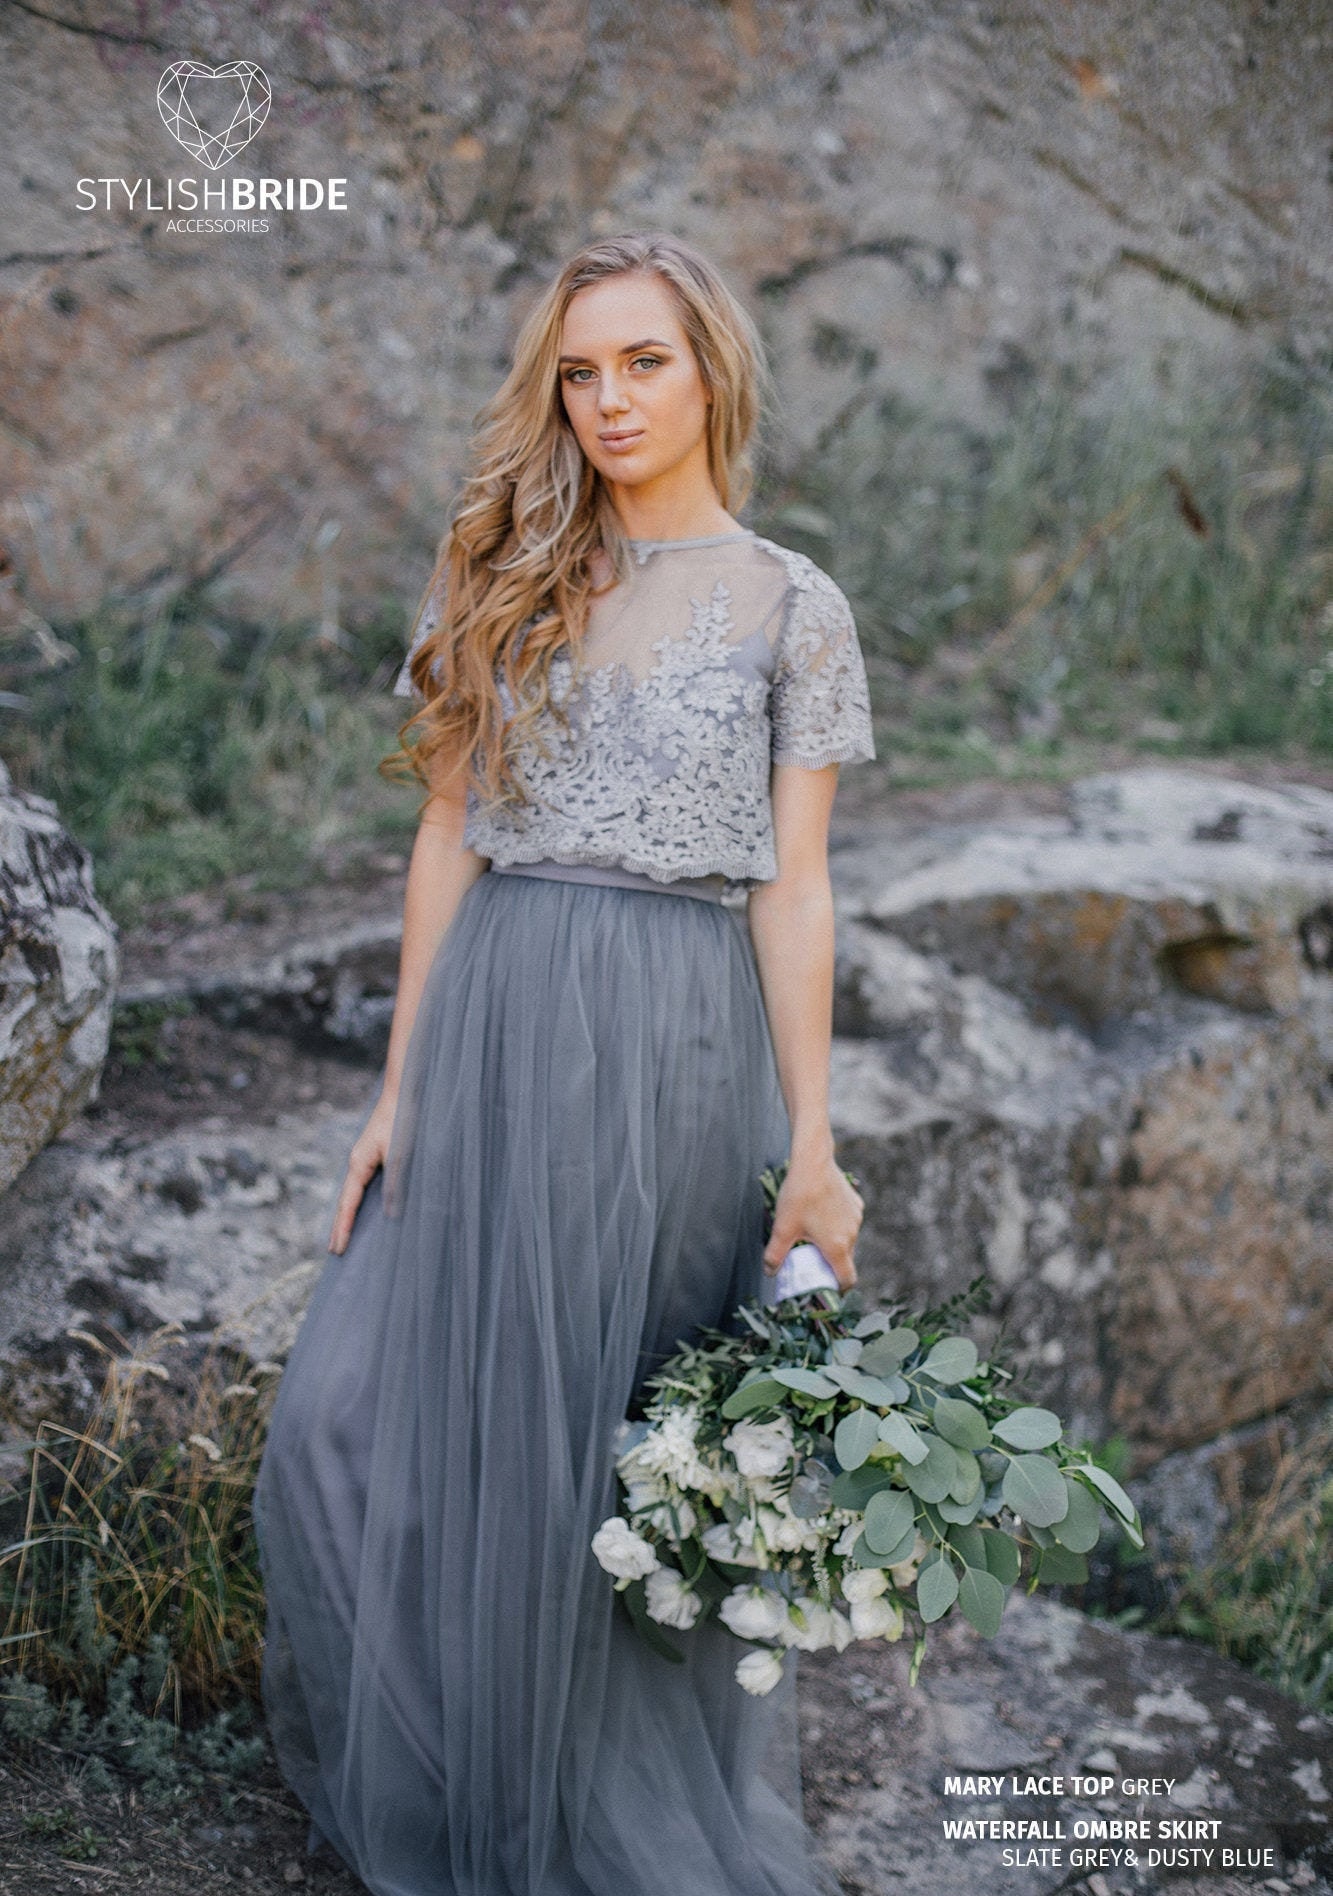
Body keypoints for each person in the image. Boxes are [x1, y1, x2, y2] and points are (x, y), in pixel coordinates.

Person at [252, 229, 876, 1896]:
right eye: (578, 372)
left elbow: (793, 884)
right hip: (501, 1016)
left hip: (676, 1041)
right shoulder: (503, 566)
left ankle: (590, 1829)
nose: (607, 400)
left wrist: (812, 1143)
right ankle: (471, 1785)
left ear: (711, 371)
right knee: (349, 1423)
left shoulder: (787, 604)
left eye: (642, 362)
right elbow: (447, 833)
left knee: (608, 1453)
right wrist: (399, 1089)